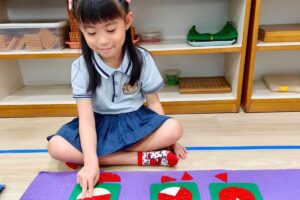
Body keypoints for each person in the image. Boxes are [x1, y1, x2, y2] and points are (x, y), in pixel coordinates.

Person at [47, 0, 187, 198]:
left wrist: (167, 139)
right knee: (55, 146)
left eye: (111, 29)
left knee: (174, 129)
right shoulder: (81, 66)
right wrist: (90, 163)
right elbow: (86, 120)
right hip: (98, 124)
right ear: (81, 30)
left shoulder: (142, 58)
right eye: (92, 33)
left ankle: (101, 157)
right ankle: (138, 158)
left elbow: (154, 102)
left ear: (127, 21)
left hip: (135, 121)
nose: (103, 41)